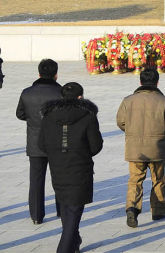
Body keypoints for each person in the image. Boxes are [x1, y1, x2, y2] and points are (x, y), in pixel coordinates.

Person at [39, 82, 102, 253]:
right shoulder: (88, 116)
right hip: (79, 168)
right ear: (80, 97)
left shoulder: (48, 116)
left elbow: (41, 144)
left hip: (58, 168)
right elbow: (95, 146)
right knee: (74, 209)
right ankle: (64, 248)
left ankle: (74, 242)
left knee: (66, 206)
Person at [116, 66, 165, 227]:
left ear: (140, 81)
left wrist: (132, 132)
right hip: (157, 147)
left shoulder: (128, 100)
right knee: (158, 180)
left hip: (135, 148)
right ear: (157, 82)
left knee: (135, 180)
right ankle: (157, 211)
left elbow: (121, 122)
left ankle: (132, 208)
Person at [15, 58, 62, 225]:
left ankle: (36, 215)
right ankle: (61, 210)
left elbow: (20, 114)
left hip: (35, 142)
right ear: (55, 74)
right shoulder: (61, 93)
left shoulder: (27, 92)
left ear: (39, 73)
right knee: (59, 178)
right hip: (57, 143)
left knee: (36, 180)